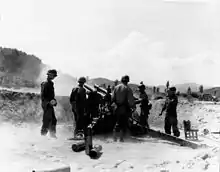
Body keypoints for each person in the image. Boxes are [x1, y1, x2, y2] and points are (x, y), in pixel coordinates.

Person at [111, 75, 136, 142]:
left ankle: (114, 139)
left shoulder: (116, 87)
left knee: (117, 123)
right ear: (127, 81)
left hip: (116, 108)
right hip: (123, 109)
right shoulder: (127, 89)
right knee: (123, 124)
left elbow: (112, 98)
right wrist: (133, 107)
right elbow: (130, 101)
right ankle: (121, 139)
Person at [40, 69, 58, 138]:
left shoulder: (50, 83)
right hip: (47, 105)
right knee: (47, 120)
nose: (53, 77)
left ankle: (52, 134)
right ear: (49, 75)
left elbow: (51, 96)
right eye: (52, 75)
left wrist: (54, 101)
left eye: (54, 76)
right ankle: (43, 135)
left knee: (53, 120)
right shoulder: (45, 84)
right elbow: (43, 96)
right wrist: (48, 103)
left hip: (50, 104)